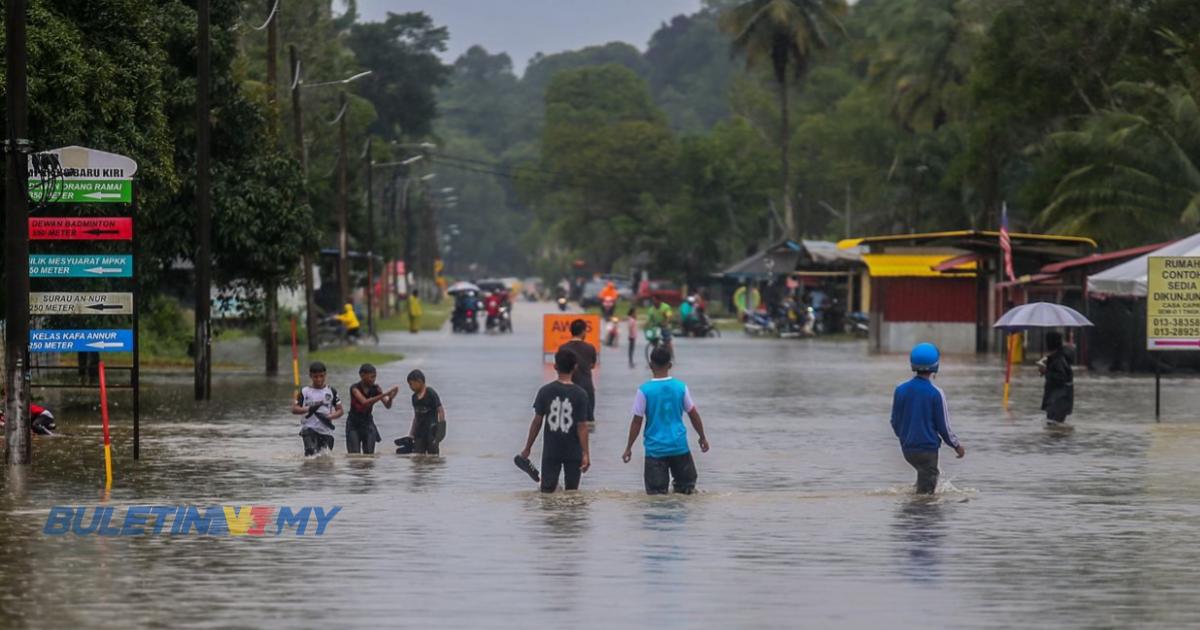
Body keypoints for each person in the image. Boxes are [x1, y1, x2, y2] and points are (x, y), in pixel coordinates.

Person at [622, 346, 709, 494]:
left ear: (650, 365)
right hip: (679, 447)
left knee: (656, 496)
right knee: (686, 491)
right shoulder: (681, 387)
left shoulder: (644, 390)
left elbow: (637, 421)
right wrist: (702, 437)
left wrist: (629, 447)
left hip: (655, 451)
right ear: (670, 365)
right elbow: (693, 414)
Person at [889, 343, 965, 494]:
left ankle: (912, 512)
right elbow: (943, 426)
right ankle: (919, 514)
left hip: (908, 450)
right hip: (928, 450)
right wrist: (956, 445)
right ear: (935, 366)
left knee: (922, 484)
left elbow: (894, 421)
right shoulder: (936, 393)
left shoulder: (900, 390)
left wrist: (905, 437)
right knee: (927, 498)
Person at [519, 349, 591, 492]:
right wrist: (586, 453)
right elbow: (582, 426)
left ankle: (551, 513)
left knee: (547, 492)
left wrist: (528, 447)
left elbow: (537, 422)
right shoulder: (581, 394)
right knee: (572, 493)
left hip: (551, 450)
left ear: (555, 366)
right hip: (573, 450)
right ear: (575, 367)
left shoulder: (545, 391)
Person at [291, 361, 343, 456]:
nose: (319, 379)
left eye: (321, 376)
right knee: (311, 454)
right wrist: (308, 409)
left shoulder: (331, 391)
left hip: (326, 431)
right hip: (309, 429)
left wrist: (331, 416)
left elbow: (340, 410)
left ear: (325, 375)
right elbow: (294, 409)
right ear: (311, 376)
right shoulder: (304, 391)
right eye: (316, 377)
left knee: (325, 459)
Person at [346, 363, 399, 454]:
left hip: (368, 423)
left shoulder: (376, 389)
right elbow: (364, 402)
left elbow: (387, 405)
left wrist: (390, 397)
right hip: (353, 424)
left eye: (374, 377)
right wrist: (385, 394)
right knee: (354, 456)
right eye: (371, 377)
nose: (373, 379)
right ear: (362, 375)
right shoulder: (355, 388)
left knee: (369, 455)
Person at [558, 319, 598, 428]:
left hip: (566, 390)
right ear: (583, 332)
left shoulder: (563, 348)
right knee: (588, 425)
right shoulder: (590, 348)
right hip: (587, 389)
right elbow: (592, 365)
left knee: (567, 424)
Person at [403, 369, 446, 455]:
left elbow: (440, 410)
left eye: (411, 384)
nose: (410, 387)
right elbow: (416, 417)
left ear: (419, 381)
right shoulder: (414, 397)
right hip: (419, 433)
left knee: (433, 457)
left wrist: (441, 430)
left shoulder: (430, 393)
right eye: (409, 385)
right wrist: (411, 434)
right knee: (418, 457)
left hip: (432, 431)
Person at [1039, 331, 1074, 425]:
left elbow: (1061, 378)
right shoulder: (1057, 357)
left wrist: (1045, 371)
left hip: (1058, 401)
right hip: (1057, 400)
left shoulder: (1059, 359)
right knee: (1054, 429)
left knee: (1053, 428)